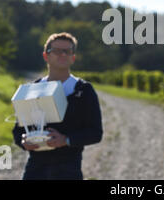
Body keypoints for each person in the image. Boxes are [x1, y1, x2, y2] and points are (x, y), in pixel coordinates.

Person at [12, 32, 103, 180]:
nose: (62, 55)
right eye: (56, 51)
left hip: (68, 169)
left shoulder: (83, 90)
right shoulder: (32, 89)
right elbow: (18, 130)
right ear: (45, 56)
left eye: (67, 51)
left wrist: (66, 140)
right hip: (35, 169)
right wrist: (23, 142)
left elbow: (95, 133)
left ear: (73, 58)